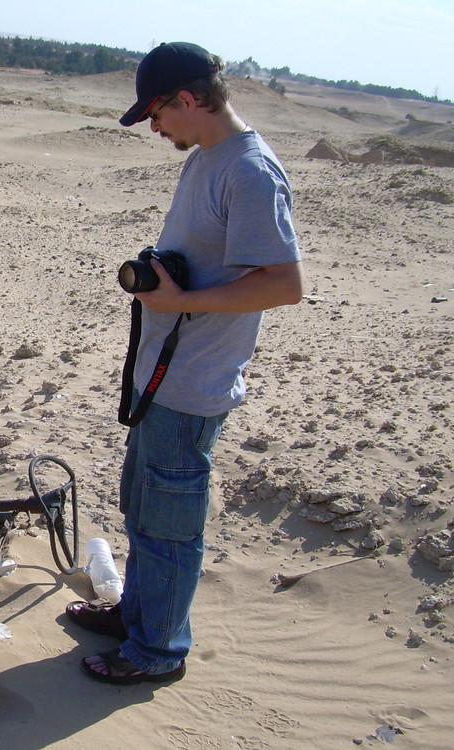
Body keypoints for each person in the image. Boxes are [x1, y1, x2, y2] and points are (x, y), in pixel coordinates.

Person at [68, 41, 304, 685]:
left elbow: (285, 283)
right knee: (144, 513)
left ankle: (156, 654)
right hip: (163, 378)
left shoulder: (251, 172)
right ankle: (136, 617)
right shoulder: (208, 159)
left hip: (192, 385)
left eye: (155, 110)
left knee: (171, 530)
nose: (153, 124)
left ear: (190, 99)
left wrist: (184, 299)